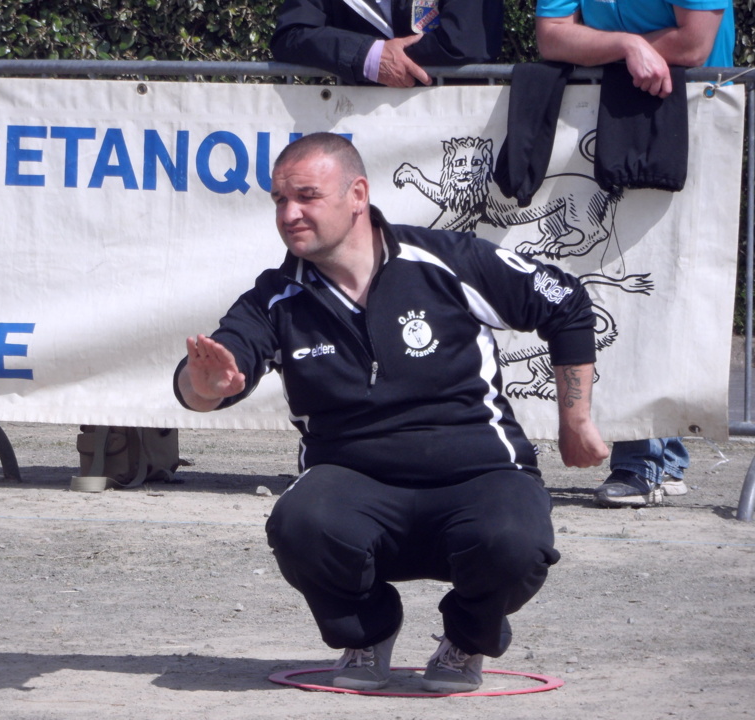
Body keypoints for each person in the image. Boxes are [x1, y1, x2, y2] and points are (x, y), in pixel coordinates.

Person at [174, 133, 609, 692]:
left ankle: (466, 641)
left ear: (358, 194)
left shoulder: (446, 260)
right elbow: (209, 374)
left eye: (306, 196)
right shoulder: (276, 297)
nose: (289, 213)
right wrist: (207, 383)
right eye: (279, 200)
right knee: (299, 523)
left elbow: (566, 302)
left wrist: (576, 422)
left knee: (515, 540)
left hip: (478, 475)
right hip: (357, 484)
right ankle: (366, 632)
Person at [535, 0, 735, 507]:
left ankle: (649, 459)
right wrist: (628, 47)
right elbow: (552, 36)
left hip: (692, 108)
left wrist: (609, 52)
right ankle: (652, 460)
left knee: (664, 277)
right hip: (607, 108)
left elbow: (694, 44)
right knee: (612, 277)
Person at [270, 0, 504, 87]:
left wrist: (391, 59)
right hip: (362, 131)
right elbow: (290, 36)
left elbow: (468, 45)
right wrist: (367, 56)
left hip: (450, 135)